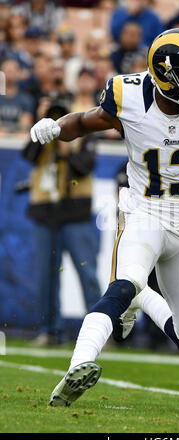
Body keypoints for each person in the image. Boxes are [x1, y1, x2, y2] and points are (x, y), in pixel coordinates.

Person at [30, 28, 179, 406]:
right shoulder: (128, 96)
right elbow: (85, 122)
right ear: (166, 75)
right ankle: (80, 363)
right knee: (123, 283)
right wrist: (55, 127)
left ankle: (142, 298)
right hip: (144, 210)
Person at [23, 101, 101, 346]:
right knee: (47, 276)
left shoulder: (81, 133)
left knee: (87, 273)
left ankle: (98, 331)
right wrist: (38, 126)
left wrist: (66, 149)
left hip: (76, 213)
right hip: (45, 213)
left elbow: (85, 166)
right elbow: (28, 155)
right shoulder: (40, 137)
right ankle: (50, 330)